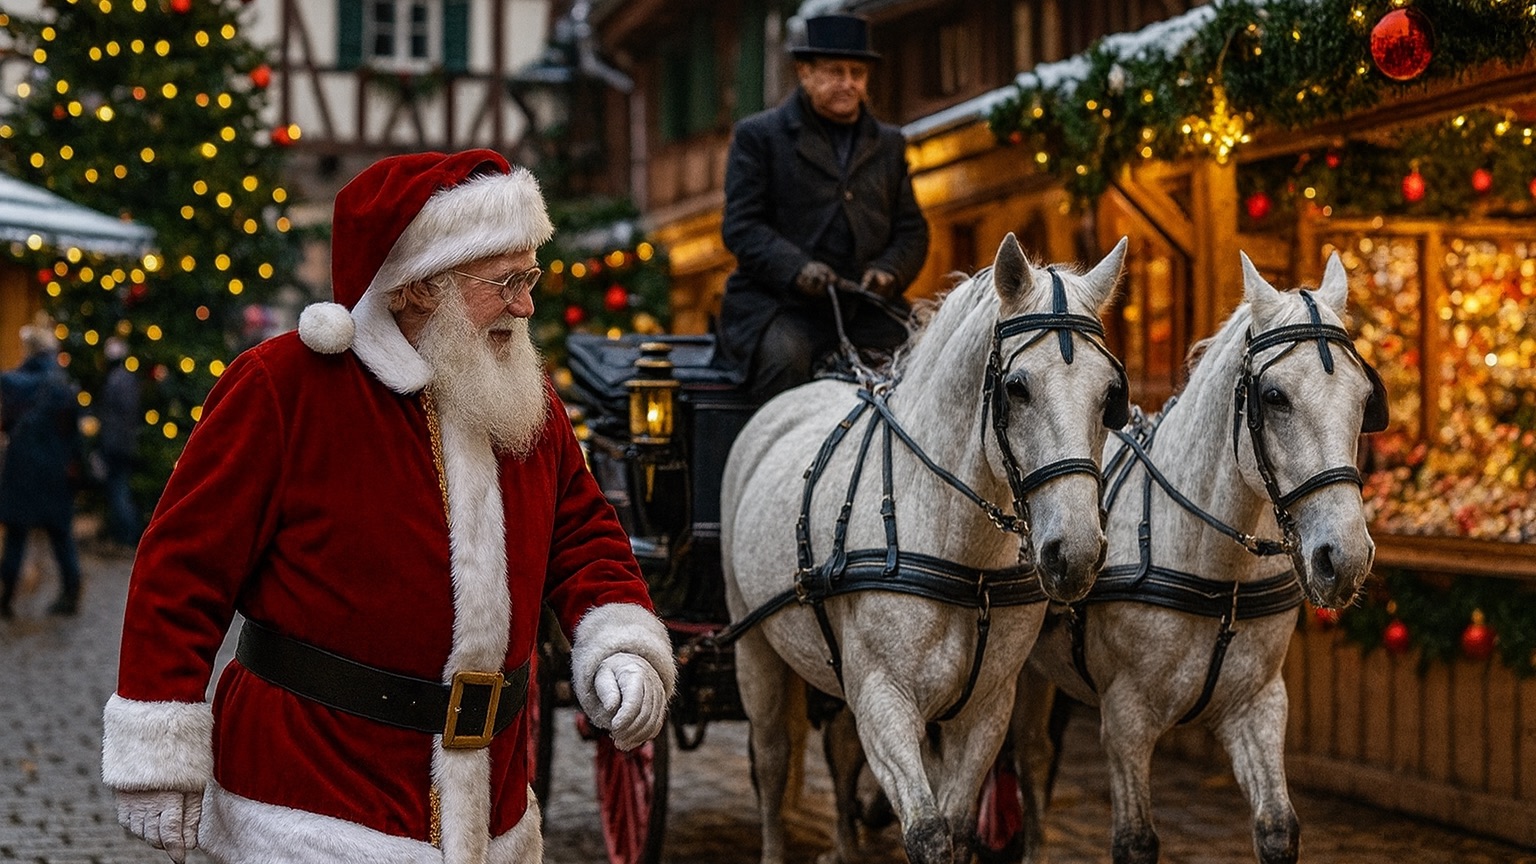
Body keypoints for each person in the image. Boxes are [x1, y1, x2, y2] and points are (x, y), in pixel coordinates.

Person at [101, 150, 677, 864]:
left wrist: (617, 641)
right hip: (313, 797)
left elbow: (582, 533)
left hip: (492, 807)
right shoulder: (284, 388)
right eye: (505, 283)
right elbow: (183, 568)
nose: (527, 305)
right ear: (417, 289)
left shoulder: (524, 397)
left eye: (530, 277)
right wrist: (159, 745)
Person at [716, 13, 930, 402]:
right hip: (779, 306)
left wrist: (888, 272)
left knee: (926, 360)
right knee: (785, 361)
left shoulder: (889, 144)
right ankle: (774, 459)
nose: (848, 83)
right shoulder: (759, 137)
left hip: (866, 309)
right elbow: (742, 226)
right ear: (804, 72)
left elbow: (911, 230)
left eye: (857, 73)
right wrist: (797, 269)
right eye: (835, 72)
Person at [0, 324, 84, 618]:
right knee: (60, 533)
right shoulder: (62, 386)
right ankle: (70, 593)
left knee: (16, 535)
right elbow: (73, 433)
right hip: (55, 469)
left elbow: (7, 423)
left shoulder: (10, 382)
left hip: (20, 468)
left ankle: (6, 596)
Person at [97, 336, 142, 548]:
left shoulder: (115, 380)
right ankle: (125, 533)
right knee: (119, 488)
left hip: (116, 445)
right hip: (125, 443)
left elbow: (115, 416)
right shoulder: (129, 380)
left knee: (118, 490)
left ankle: (126, 535)